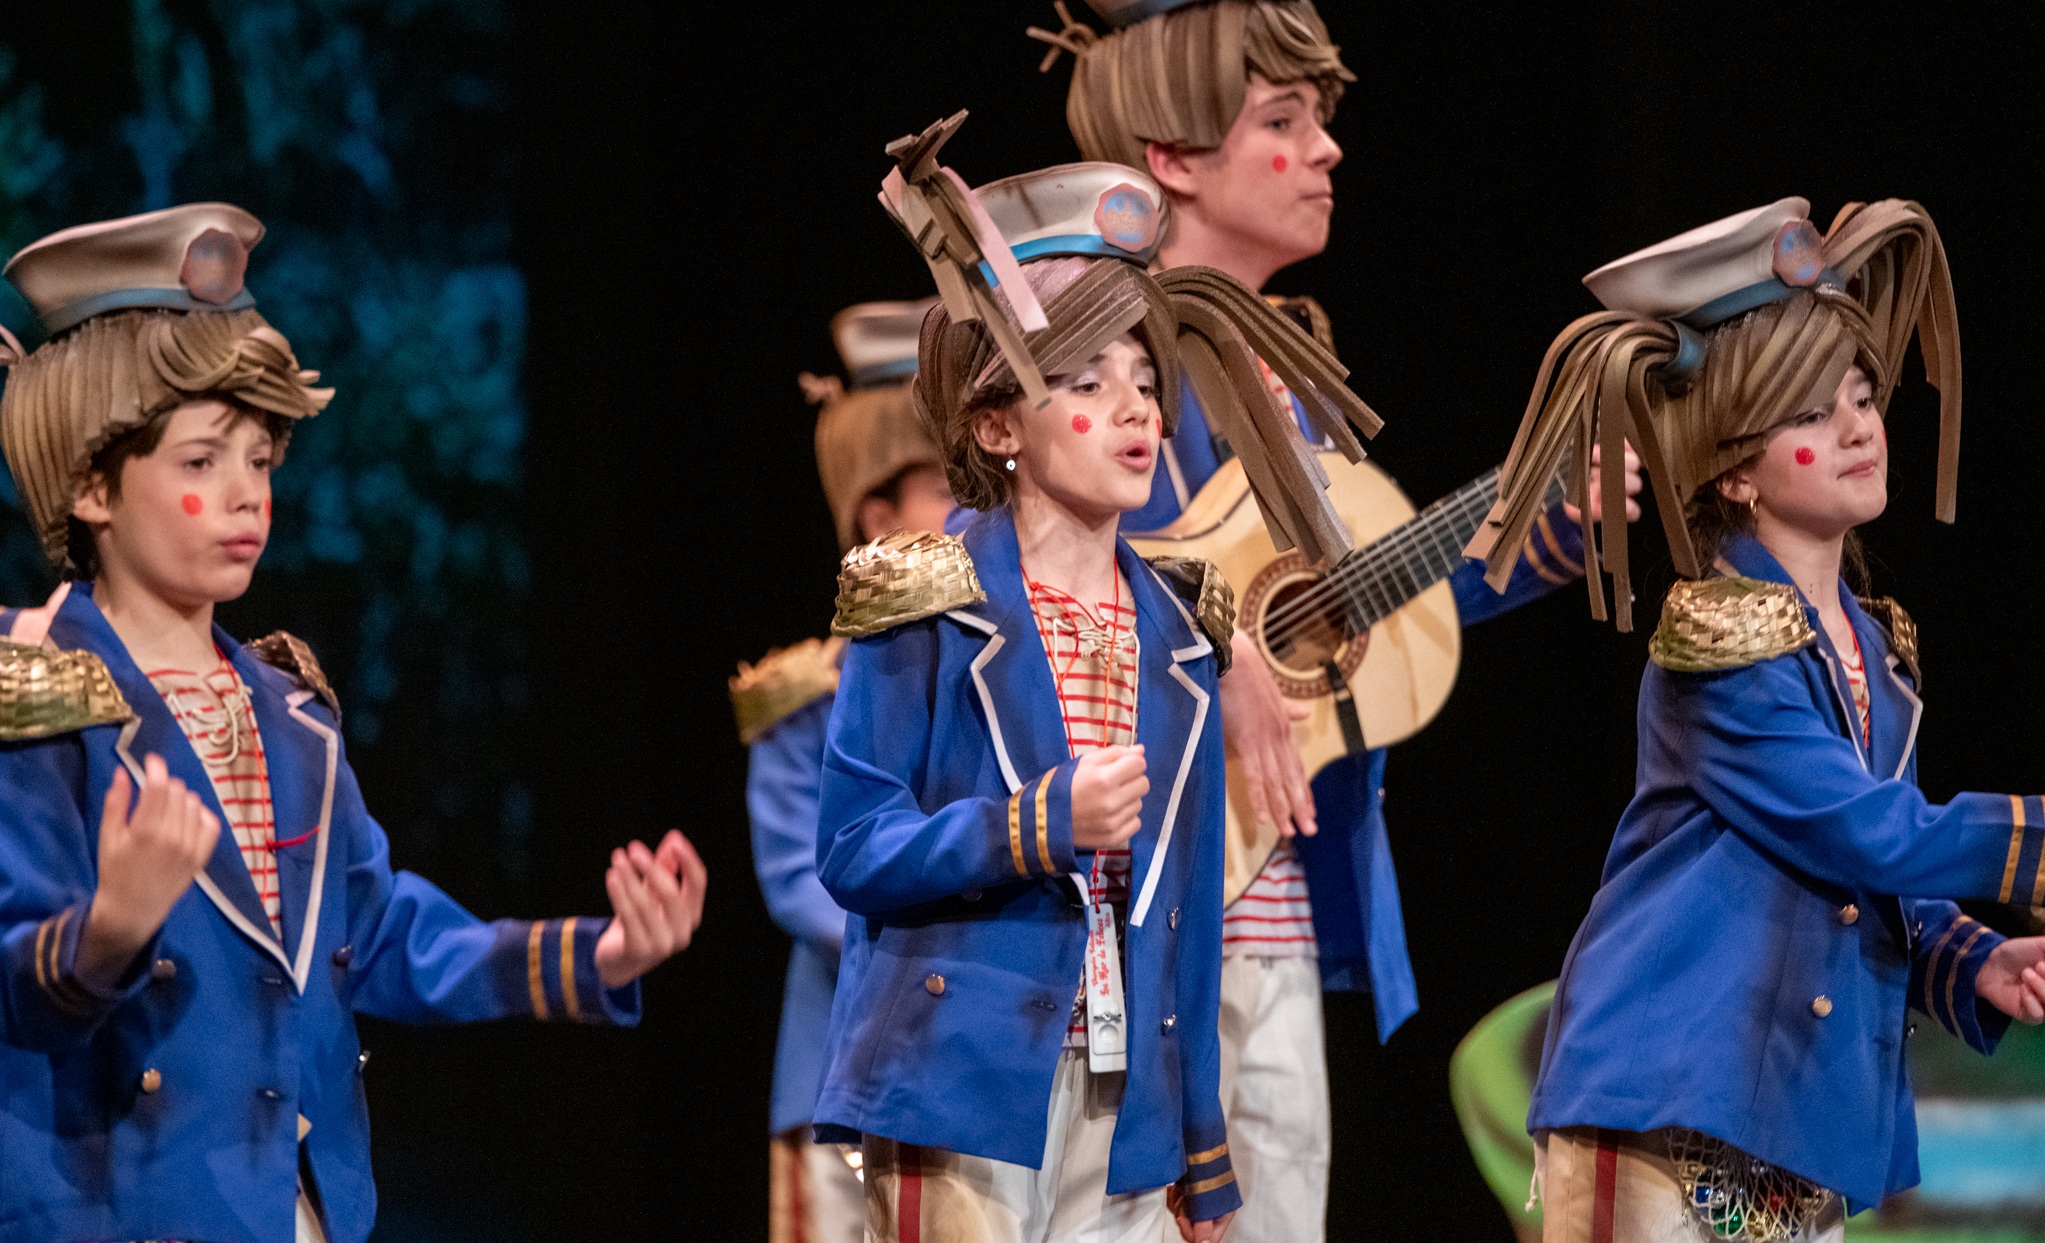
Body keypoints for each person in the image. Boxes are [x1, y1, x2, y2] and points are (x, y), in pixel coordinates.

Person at [1029, 0, 1640, 1238]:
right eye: (1283, 122)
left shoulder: (1283, 370)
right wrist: (1211, 636)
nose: (1325, 150)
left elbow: (1330, 611)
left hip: (1280, 887)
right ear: (1169, 155)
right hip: (1134, 908)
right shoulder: (1094, 364)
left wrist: (1539, 535)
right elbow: (1043, 569)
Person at [0, 204, 706, 1243]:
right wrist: (109, 930)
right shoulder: (31, 690)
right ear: (95, 486)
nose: (245, 495)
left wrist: (593, 956)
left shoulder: (286, 710)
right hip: (119, 1208)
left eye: (261, 461)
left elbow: (375, 935)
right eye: (201, 463)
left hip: (301, 1209)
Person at [1469, 196, 2045, 1240]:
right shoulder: (1722, 640)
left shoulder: (1867, 641)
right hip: (1667, 1094)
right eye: (1813, 414)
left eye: (1862, 396)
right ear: (1733, 464)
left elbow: (1870, 867)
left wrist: (1967, 961)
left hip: (1783, 1108)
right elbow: (1868, 830)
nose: (1860, 425)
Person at [810, 115, 1377, 1243]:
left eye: (1141, 378)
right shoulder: (925, 597)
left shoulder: (1182, 629)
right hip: (961, 1082)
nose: (1132, 408)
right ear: (997, 421)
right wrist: (1030, 826)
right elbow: (851, 847)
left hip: (1126, 1104)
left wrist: (1202, 1151)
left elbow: (1192, 912)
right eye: (1082, 378)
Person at [733, 298, 952, 1243]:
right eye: (944, 486)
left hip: (974, 1070)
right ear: (878, 514)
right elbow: (796, 877)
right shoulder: (806, 696)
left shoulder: (992, 677)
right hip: (846, 1061)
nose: (972, 509)